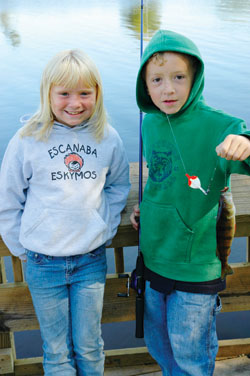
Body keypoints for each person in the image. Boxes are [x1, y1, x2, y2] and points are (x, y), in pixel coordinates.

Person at [0, 49, 130, 376]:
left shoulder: (108, 138)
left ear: (97, 94)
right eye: (64, 94)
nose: (75, 103)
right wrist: (20, 248)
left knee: (89, 345)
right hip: (43, 263)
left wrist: (106, 225)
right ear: (48, 94)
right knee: (56, 352)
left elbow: (118, 186)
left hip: (90, 260)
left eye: (85, 93)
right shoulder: (26, 139)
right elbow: (9, 200)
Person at [130, 30, 250, 375]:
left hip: (196, 269)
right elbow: (161, 176)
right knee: (160, 346)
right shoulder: (151, 122)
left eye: (179, 77)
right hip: (153, 262)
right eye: (157, 80)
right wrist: (149, 207)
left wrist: (244, 143)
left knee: (191, 356)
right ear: (146, 86)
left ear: (195, 77)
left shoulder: (217, 124)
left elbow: (243, 141)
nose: (168, 89)